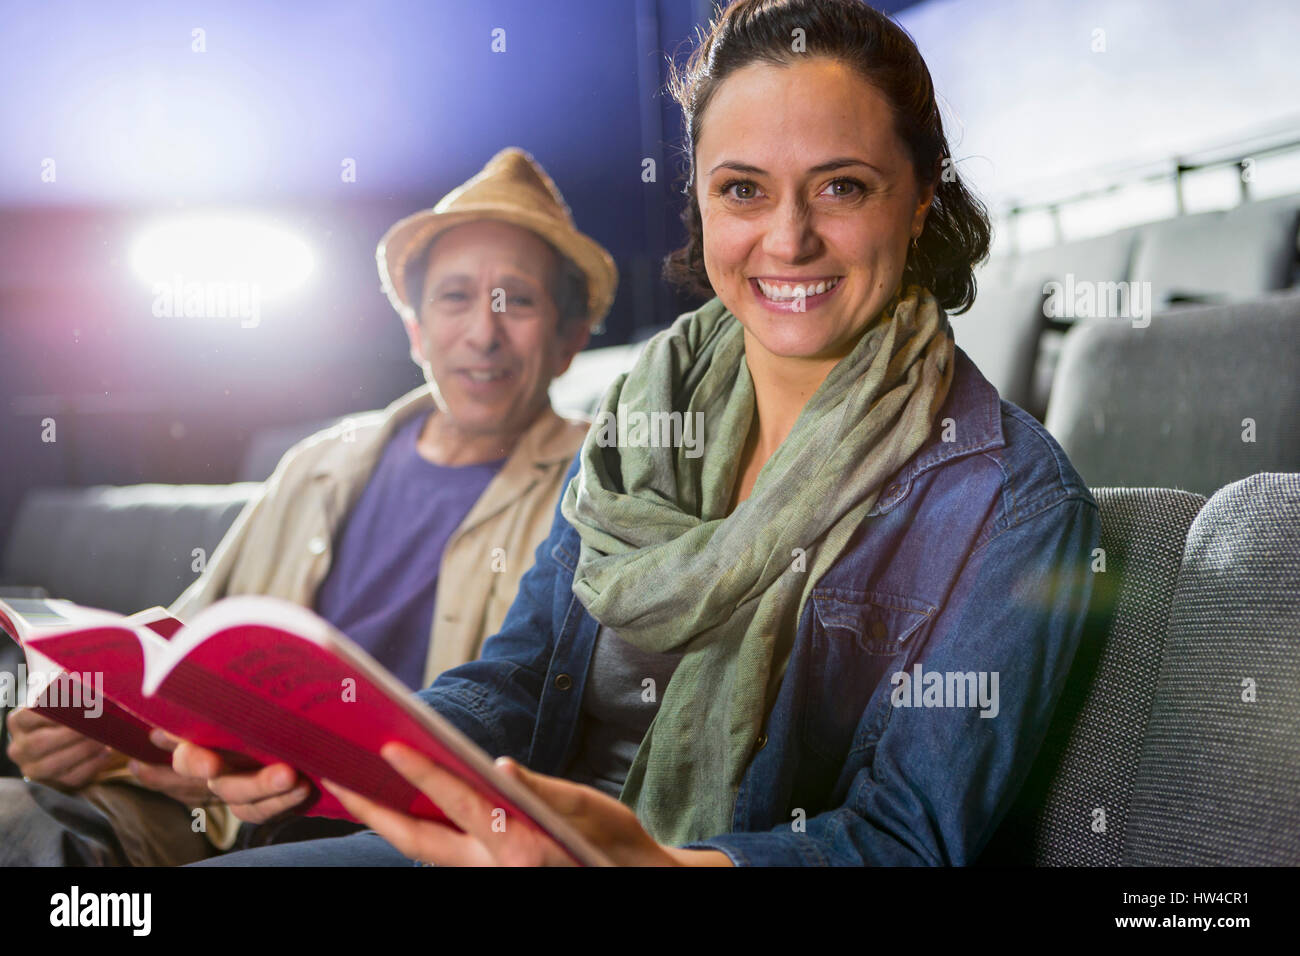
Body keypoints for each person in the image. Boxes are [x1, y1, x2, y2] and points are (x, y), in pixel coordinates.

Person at [177, 0, 1100, 867]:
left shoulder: (1014, 499)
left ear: (921, 196)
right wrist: (327, 746)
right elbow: (521, 678)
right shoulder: (636, 419)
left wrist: (647, 863)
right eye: (743, 190)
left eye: (842, 188)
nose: (787, 241)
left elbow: (909, 842)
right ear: (700, 202)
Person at [0, 147, 618, 866]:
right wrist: (96, 728)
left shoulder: (599, 481)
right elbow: (188, 647)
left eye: (517, 300)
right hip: (216, 812)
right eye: (453, 298)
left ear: (570, 340)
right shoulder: (320, 462)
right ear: (416, 329)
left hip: (397, 838)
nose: (483, 331)